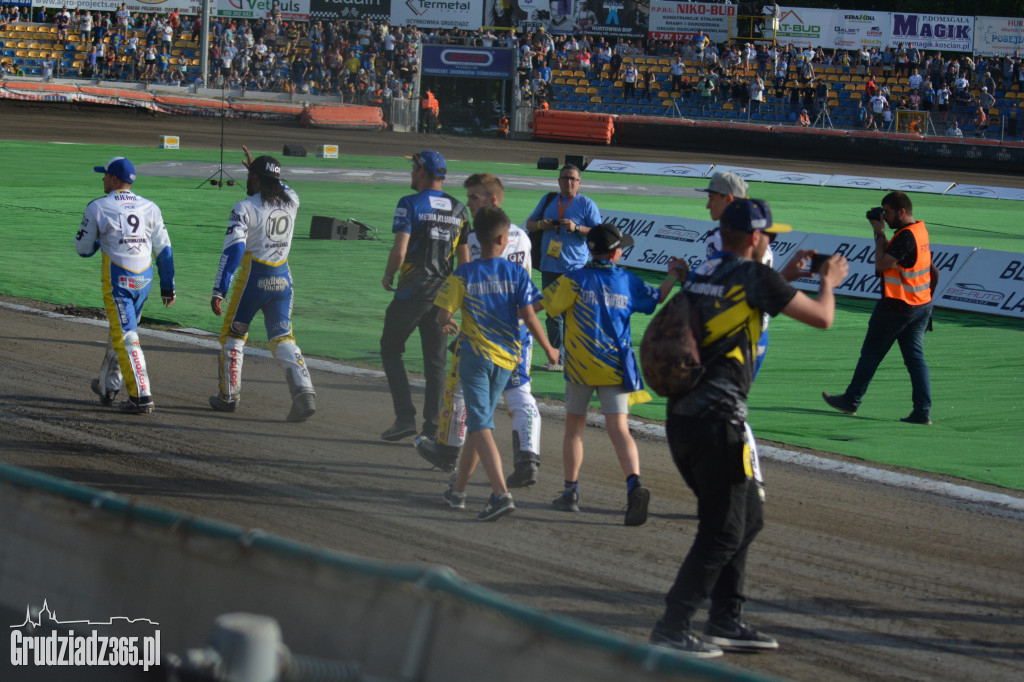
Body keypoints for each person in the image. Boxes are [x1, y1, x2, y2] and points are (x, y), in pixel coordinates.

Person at [650, 198, 848, 657]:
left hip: (684, 418)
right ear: (756, 238)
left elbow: (743, 305)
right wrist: (828, 282)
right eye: (769, 235)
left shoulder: (706, 271)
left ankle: (725, 619)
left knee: (747, 517)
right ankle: (673, 625)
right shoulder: (755, 277)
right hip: (718, 422)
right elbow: (823, 317)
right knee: (723, 529)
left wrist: (789, 278)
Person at [540, 224, 685, 526]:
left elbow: (544, 305)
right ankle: (634, 484)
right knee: (620, 430)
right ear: (616, 252)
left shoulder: (574, 278)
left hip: (579, 367)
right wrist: (672, 275)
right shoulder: (627, 280)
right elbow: (657, 297)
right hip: (615, 366)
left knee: (574, 430)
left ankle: (571, 492)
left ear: (589, 249)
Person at [417, 174, 545, 488]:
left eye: (474, 198)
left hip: (481, 334)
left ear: (493, 201)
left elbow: (466, 279)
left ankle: (448, 453)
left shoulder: (475, 239)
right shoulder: (522, 238)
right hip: (516, 334)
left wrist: (448, 313)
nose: (469, 203)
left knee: (461, 392)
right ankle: (528, 459)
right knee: (519, 393)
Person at [434, 206, 558, 521]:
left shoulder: (464, 273)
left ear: (476, 237)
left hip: (476, 357)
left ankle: (500, 494)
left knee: (480, 424)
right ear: (504, 239)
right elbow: (530, 315)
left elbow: (443, 316)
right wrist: (549, 348)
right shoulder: (517, 273)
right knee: (481, 424)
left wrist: (447, 324)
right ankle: (458, 491)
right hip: (508, 360)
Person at [209, 148, 315, 422]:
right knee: (282, 337)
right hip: (283, 280)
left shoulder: (244, 208)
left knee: (232, 338)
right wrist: (261, 171)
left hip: (252, 282)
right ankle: (304, 391)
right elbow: (283, 186)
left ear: (255, 178)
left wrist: (219, 289)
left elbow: (232, 253)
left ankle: (229, 396)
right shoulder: (292, 199)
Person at [823, 192, 938, 425]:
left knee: (871, 354)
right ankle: (922, 411)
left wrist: (878, 233)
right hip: (921, 305)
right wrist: (928, 302)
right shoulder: (919, 231)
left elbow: (881, 264)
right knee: (916, 360)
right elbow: (933, 272)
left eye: (887, 211)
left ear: (902, 212)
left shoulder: (904, 237)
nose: (884, 216)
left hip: (897, 306)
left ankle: (851, 400)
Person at [380, 150, 470, 442]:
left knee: (391, 349)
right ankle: (432, 428)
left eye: (413, 168)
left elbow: (400, 251)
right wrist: (456, 300)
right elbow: (465, 265)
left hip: (412, 292)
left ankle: (405, 417)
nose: (410, 173)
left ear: (421, 171)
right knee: (436, 363)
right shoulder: (460, 209)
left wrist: (389, 275)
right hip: (443, 295)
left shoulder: (410, 203)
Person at [76, 157, 176, 414]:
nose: (102, 179)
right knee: (119, 331)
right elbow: (164, 250)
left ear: (113, 179)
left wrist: (100, 239)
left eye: (105, 175)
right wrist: (168, 287)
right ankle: (108, 386)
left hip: (118, 281)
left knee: (125, 335)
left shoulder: (98, 206)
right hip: (145, 281)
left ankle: (141, 395)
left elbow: (83, 249)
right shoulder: (150, 207)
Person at [525, 164, 601, 371]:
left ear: (579, 183)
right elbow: (530, 223)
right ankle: (556, 357)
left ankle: (571, 357)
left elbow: (598, 232)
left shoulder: (586, 204)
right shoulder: (549, 200)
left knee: (572, 314)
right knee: (552, 313)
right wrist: (543, 225)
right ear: (558, 181)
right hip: (550, 264)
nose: (568, 182)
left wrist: (576, 228)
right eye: (565, 178)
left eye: (573, 179)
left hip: (575, 266)